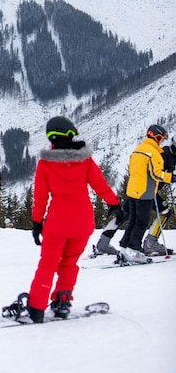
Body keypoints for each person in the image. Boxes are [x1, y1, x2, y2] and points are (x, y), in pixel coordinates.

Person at [27, 116, 123, 323]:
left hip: (57, 223)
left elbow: (40, 198)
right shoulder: (84, 160)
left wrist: (36, 223)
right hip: (83, 222)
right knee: (69, 263)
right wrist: (115, 205)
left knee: (48, 265)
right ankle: (62, 302)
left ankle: (36, 307)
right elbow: (100, 185)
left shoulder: (45, 164)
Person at [93, 136, 176, 257]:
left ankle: (103, 243)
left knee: (125, 214)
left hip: (137, 189)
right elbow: (156, 174)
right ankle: (150, 243)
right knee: (165, 212)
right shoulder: (164, 156)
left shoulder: (165, 152)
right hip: (147, 192)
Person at [119, 125, 176, 263]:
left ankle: (125, 248)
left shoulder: (138, 150)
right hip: (145, 192)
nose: (162, 141)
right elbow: (157, 174)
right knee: (141, 222)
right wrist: (171, 177)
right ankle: (134, 251)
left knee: (133, 221)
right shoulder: (153, 153)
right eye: (162, 138)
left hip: (132, 190)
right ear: (157, 137)